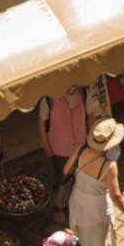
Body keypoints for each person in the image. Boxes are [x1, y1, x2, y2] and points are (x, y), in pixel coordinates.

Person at [64, 117, 124, 246]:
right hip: (94, 211)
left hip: (77, 201)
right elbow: (116, 194)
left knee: (85, 235)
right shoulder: (109, 166)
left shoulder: (80, 150)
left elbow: (66, 170)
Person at [38, 85, 96, 221]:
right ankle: (59, 208)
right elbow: (41, 123)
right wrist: (47, 148)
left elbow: (91, 116)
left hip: (80, 145)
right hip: (59, 148)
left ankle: (74, 206)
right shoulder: (49, 98)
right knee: (61, 180)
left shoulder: (83, 93)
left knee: (79, 178)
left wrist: (91, 140)